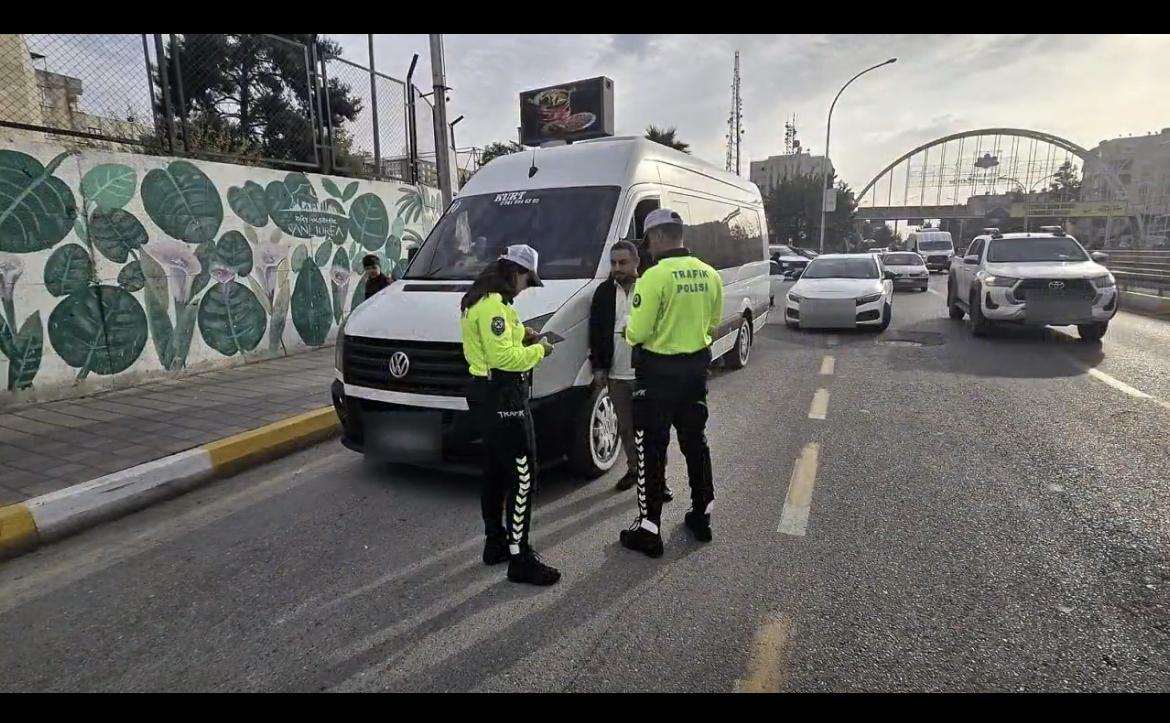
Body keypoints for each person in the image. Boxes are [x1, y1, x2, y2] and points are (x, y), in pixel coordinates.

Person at [619, 208, 722, 558]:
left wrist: (628, 330)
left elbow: (638, 332)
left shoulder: (654, 277)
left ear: (659, 237)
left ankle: (649, 529)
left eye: (648, 241)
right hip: (695, 371)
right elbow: (712, 324)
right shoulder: (710, 274)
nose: (647, 248)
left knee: (651, 448)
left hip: (658, 374)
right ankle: (701, 515)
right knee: (696, 442)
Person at [460, 244, 561, 586]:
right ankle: (520, 557)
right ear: (516, 273)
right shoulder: (493, 306)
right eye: (528, 281)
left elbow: (502, 339)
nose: (526, 288)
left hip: (486, 394)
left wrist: (524, 334)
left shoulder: (484, 300)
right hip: (503, 394)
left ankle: (496, 542)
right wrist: (540, 349)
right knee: (522, 474)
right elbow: (504, 359)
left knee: (494, 470)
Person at [589, 241, 673, 501]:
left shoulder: (650, 287)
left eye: (623, 262)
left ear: (636, 262)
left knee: (654, 430)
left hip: (647, 374)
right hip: (617, 375)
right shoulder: (604, 293)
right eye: (613, 263)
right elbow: (596, 332)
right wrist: (599, 367)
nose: (617, 268)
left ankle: (659, 479)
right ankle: (635, 470)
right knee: (626, 429)